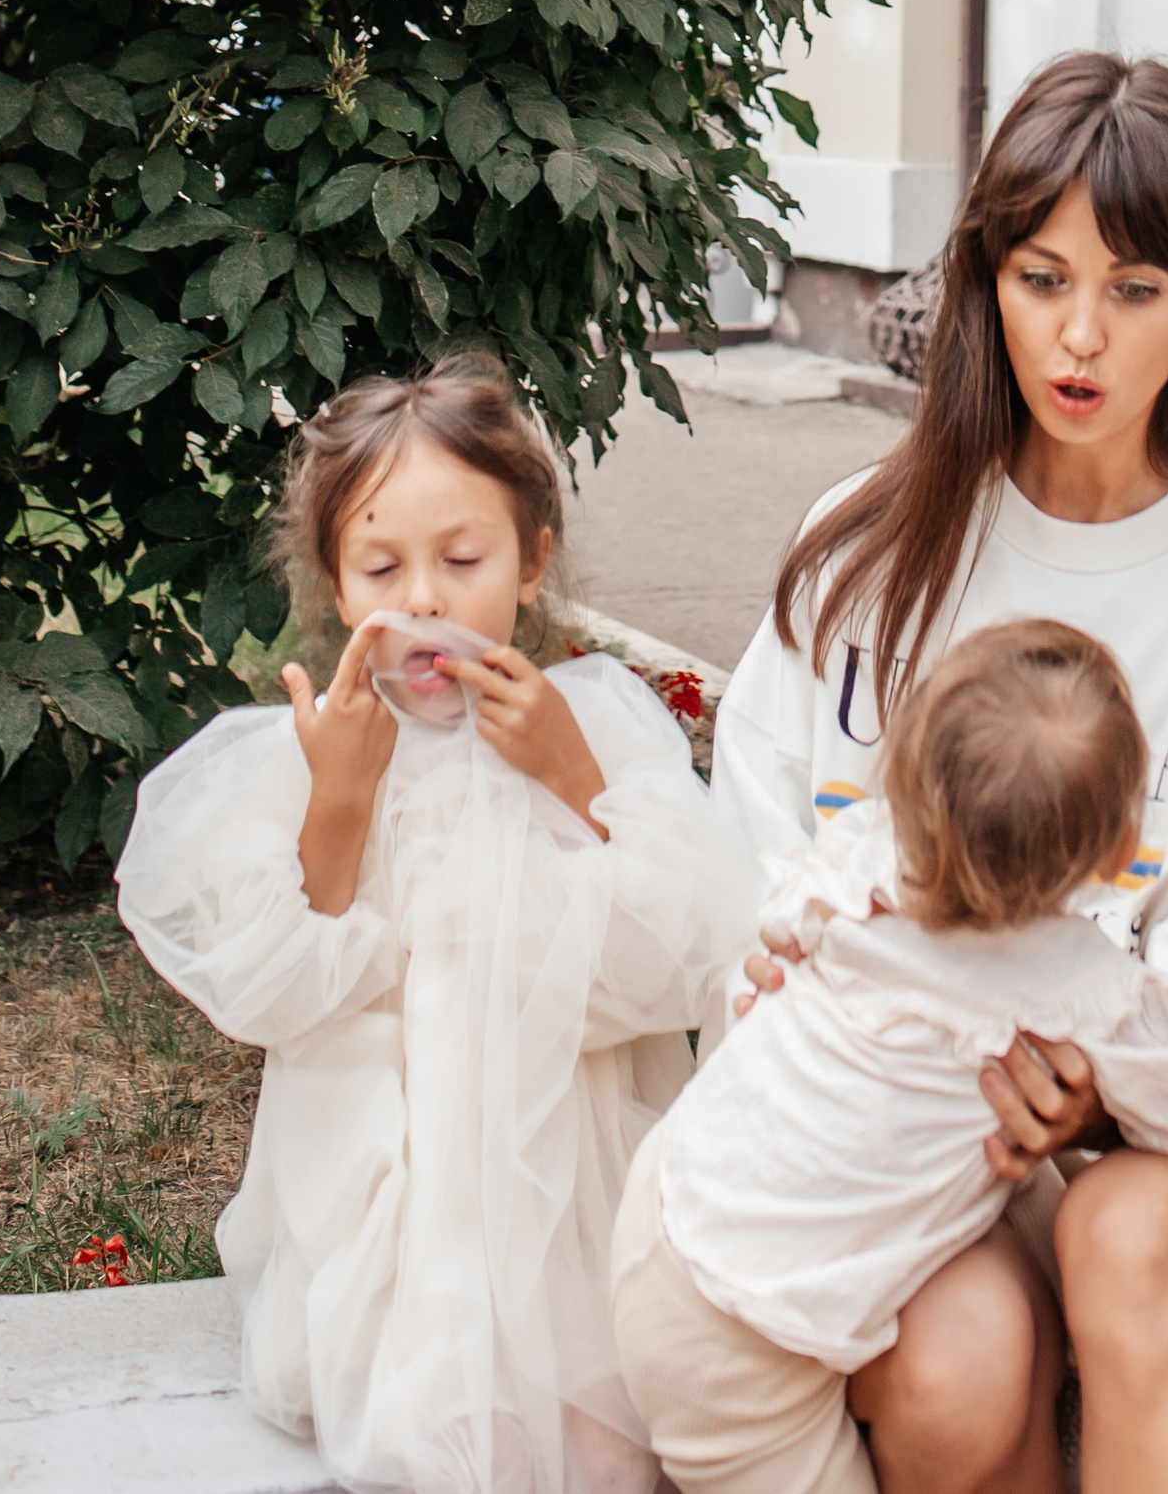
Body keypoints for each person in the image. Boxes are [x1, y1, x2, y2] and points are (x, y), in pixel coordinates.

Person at [712, 51, 1168, 1494]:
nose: (1081, 334)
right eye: (1043, 278)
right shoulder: (865, 552)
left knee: (1123, 1228)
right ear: (984, 277)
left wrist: (1101, 1071)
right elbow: (759, 856)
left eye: (1136, 290)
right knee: (951, 1368)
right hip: (907, 1141)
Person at [116, 358, 753, 1494]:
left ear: (532, 560)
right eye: (381, 565)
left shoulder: (597, 724)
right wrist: (343, 799)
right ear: (332, 580)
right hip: (394, 1229)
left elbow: (678, 965)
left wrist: (571, 781)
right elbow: (277, 993)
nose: (424, 600)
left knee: (615, 1457)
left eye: (463, 561)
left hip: (574, 1208)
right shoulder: (305, 759)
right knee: (461, 1452)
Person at [614, 619, 1168, 1494]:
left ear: (901, 780)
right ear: (1124, 856)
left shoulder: (863, 860)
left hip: (676, 1203)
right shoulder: (1073, 990)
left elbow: (783, 930)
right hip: (742, 1342)